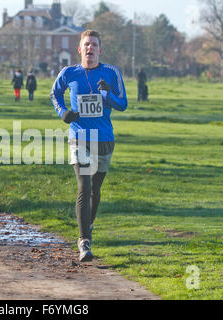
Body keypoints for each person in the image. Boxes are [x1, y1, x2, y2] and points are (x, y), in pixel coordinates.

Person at [50, 30, 128, 262]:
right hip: (79, 137)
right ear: (80, 48)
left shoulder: (111, 72)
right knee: (84, 187)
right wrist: (63, 112)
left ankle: (89, 223)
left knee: (95, 189)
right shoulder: (69, 73)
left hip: (104, 138)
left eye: (94, 45)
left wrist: (106, 95)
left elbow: (123, 104)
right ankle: (84, 241)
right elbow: (54, 94)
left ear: (100, 50)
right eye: (86, 44)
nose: (90, 48)